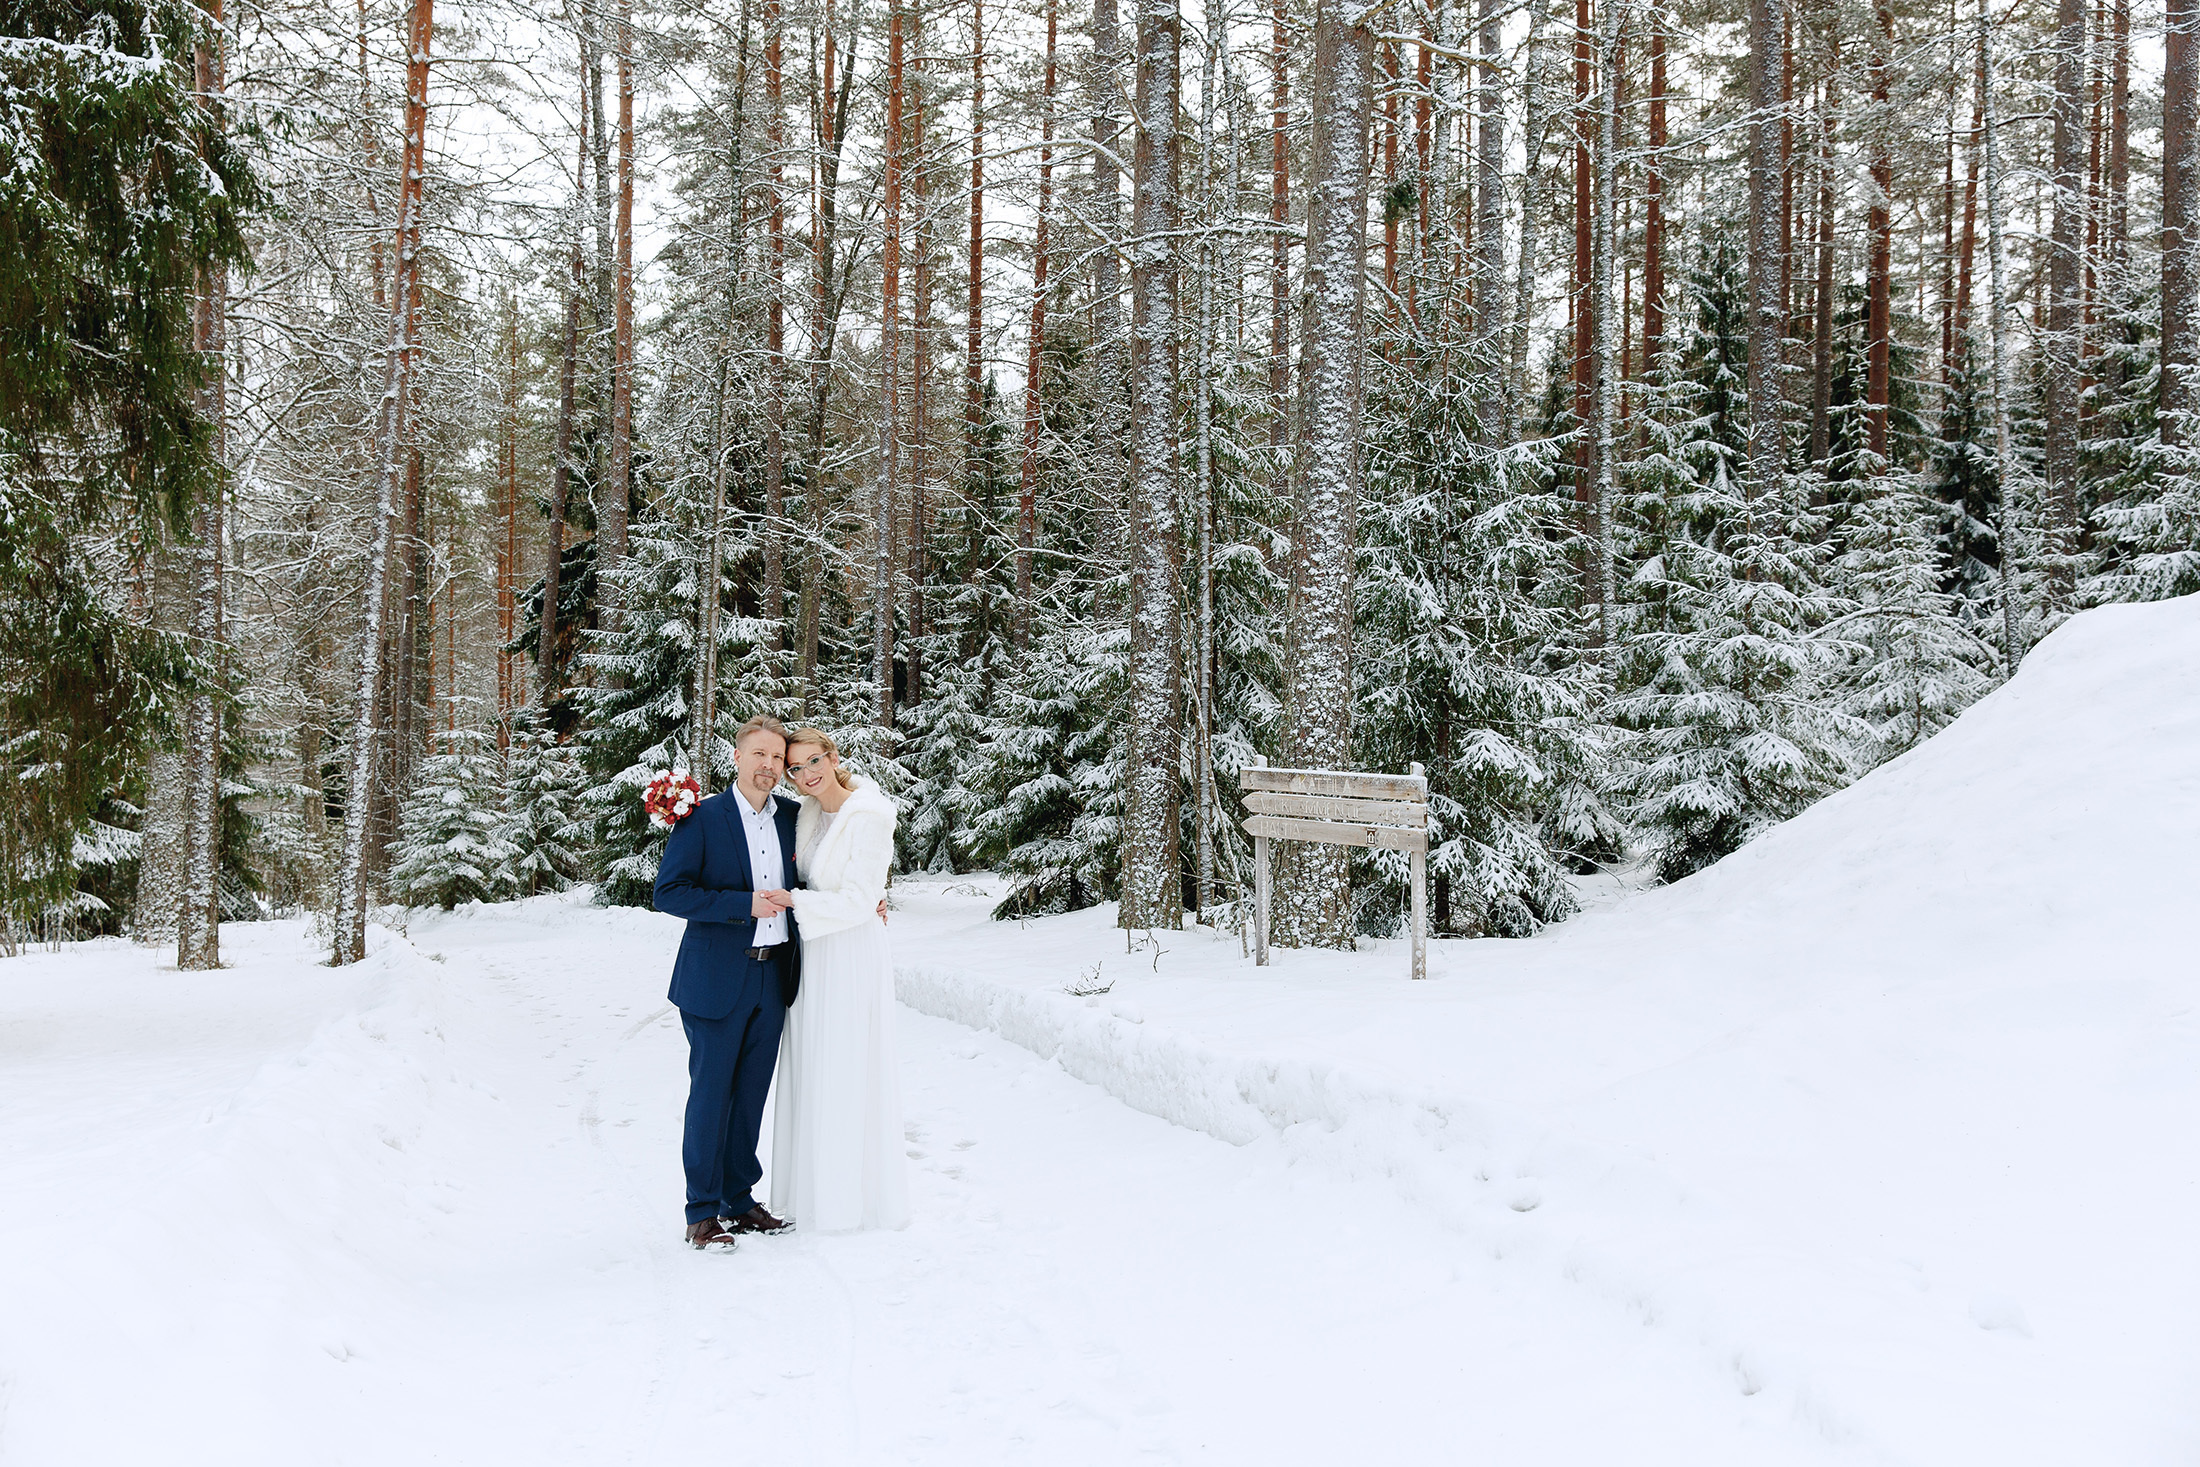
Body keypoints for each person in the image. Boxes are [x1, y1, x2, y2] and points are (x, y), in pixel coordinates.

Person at [652, 715, 802, 1251]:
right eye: (759, 754)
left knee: (751, 1096)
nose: (769, 766)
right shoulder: (702, 817)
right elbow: (668, 892)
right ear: (737, 757)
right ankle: (701, 1211)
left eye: (778, 758)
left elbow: (813, 879)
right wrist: (743, 905)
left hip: (772, 975)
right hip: (715, 979)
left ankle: (740, 1199)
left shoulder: (792, 817)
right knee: (712, 1094)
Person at [766, 727, 910, 1232]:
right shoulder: (806, 813)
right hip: (815, 952)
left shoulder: (868, 815)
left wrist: (796, 902)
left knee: (846, 1063)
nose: (806, 775)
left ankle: (847, 1201)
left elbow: (856, 899)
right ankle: (812, 1192)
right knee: (814, 1063)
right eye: (795, 769)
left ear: (832, 756)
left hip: (850, 951)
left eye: (813, 761)